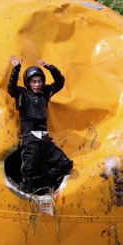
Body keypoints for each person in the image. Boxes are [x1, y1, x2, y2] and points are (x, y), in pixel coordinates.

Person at [7, 54, 73, 194]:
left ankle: (44, 181)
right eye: (33, 82)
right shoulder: (22, 94)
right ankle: (28, 206)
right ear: (27, 82)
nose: (37, 85)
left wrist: (51, 68)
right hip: (30, 139)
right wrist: (16, 69)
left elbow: (60, 82)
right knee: (28, 178)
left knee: (65, 163)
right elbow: (11, 88)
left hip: (44, 139)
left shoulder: (45, 92)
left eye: (39, 81)